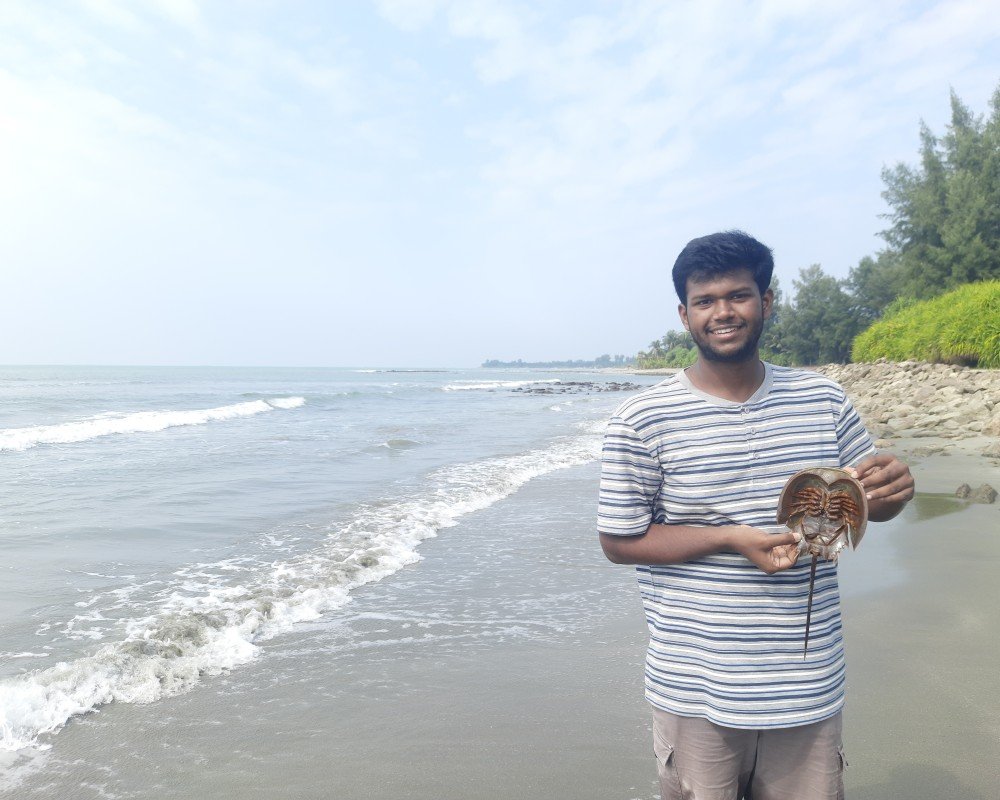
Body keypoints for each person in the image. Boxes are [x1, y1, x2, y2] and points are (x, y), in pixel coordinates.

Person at [597, 231, 914, 800]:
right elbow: (619, 541)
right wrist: (728, 539)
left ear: (766, 302)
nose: (723, 312)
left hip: (808, 682)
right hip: (696, 686)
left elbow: (865, 500)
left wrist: (892, 493)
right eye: (705, 301)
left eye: (739, 295)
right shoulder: (641, 418)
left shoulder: (824, 401)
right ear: (684, 315)